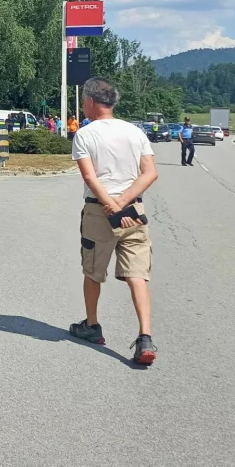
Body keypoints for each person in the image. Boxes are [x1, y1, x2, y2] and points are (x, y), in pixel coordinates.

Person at [69, 77, 158, 366]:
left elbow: (89, 176)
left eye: (84, 100)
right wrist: (124, 201)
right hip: (133, 210)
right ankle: (145, 336)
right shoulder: (135, 132)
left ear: (92, 101)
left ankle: (92, 325)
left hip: (99, 210)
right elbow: (149, 173)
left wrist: (109, 203)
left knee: (92, 269)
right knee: (137, 273)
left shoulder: (86, 133)